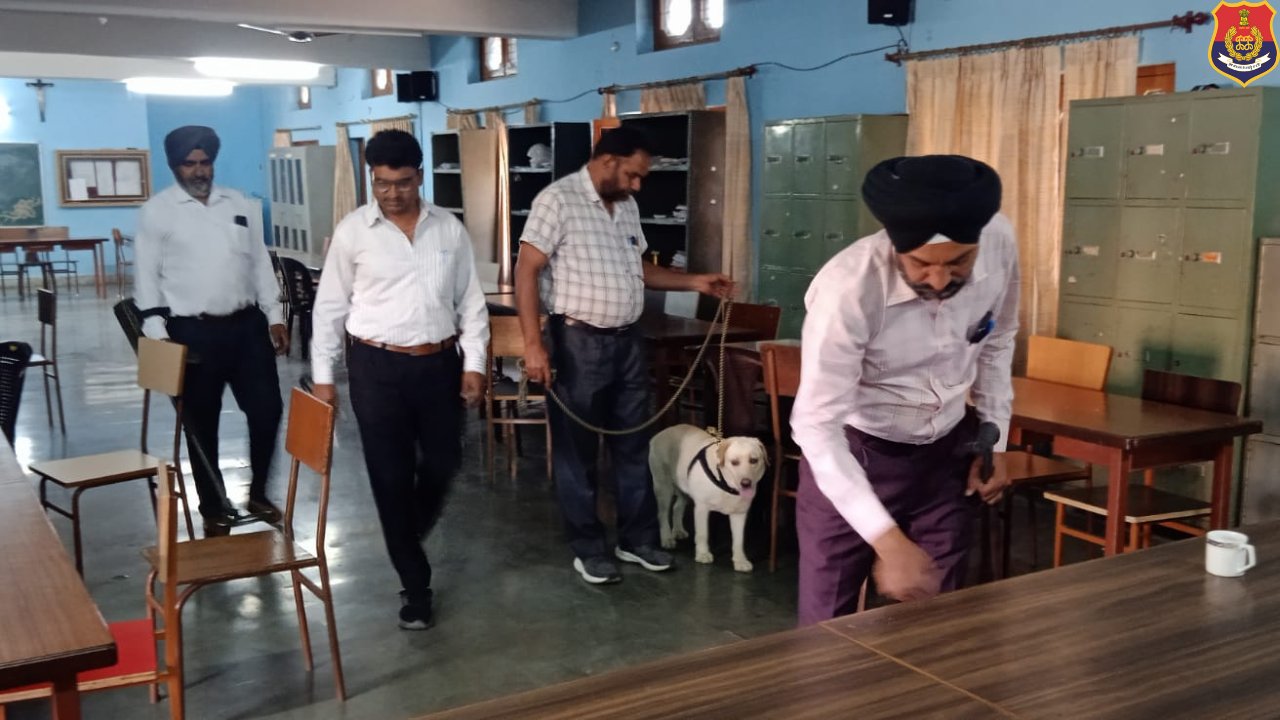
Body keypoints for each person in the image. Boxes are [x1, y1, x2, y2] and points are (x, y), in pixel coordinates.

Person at [790, 155, 1019, 625]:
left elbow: (997, 341)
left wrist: (993, 439)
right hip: (857, 454)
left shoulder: (999, 242)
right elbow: (816, 425)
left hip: (947, 455)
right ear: (895, 245)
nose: (940, 279)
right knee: (827, 628)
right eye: (921, 264)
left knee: (937, 618)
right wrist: (887, 540)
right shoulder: (848, 289)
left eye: (959, 261)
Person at [516, 126, 734, 585]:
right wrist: (533, 344)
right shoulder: (557, 201)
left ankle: (637, 540)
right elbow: (526, 271)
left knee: (635, 445)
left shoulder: (627, 206)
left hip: (628, 342)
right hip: (576, 342)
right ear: (609, 161)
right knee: (577, 451)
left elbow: (639, 269)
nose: (637, 185)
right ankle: (588, 548)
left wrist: (694, 282)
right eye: (633, 174)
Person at [310, 129, 488, 631]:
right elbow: (329, 308)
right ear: (371, 178)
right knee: (389, 476)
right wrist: (323, 377)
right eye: (382, 183)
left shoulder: (448, 229)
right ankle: (415, 584)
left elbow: (471, 302)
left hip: (438, 364)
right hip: (376, 369)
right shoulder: (353, 232)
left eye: (403, 182)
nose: (392, 193)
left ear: (420, 177)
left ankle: (403, 534)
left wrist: (474, 363)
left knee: (445, 462)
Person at [134, 125, 288, 538]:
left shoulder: (237, 203)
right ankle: (213, 504)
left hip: (247, 328)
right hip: (190, 332)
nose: (199, 171)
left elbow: (259, 262)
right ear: (174, 165)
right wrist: (159, 335)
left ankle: (259, 492)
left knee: (268, 410)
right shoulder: (158, 211)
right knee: (201, 423)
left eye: (205, 162)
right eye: (190, 163)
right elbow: (146, 277)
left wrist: (275, 315)